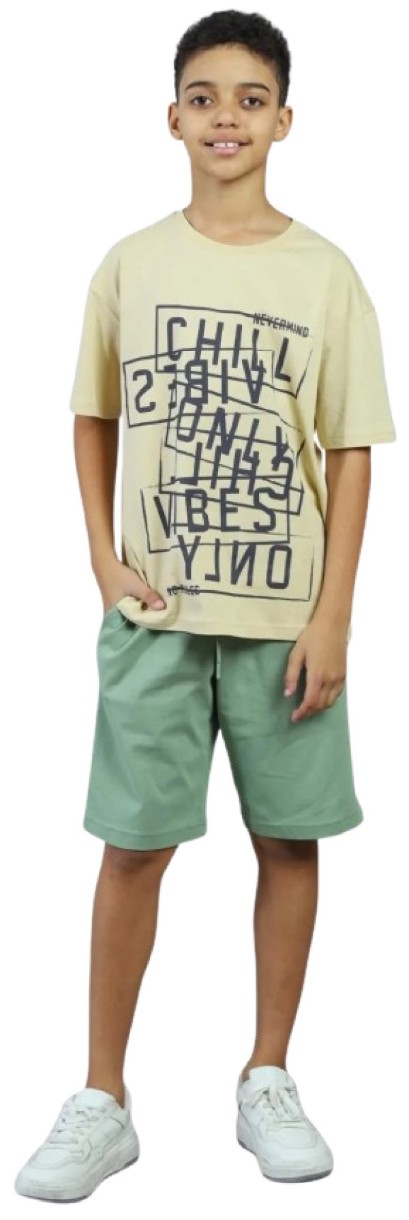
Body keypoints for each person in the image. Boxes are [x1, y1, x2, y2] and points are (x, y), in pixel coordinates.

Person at [15, 7, 397, 1202]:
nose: (224, 115)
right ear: (171, 118)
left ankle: (266, 1073)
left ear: (284, 120)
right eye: (202, 96)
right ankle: (102, 1095)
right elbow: (91, 413)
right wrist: (100, 556)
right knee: (132, 847)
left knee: (287, 837)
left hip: (285, 625)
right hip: (157, 617)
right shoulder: (131, 263)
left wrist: (333, 614)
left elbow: (349, 449)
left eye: (248, 97)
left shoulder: (325, 273)